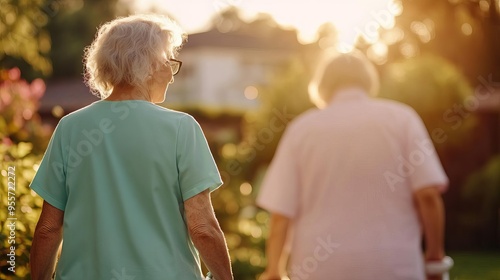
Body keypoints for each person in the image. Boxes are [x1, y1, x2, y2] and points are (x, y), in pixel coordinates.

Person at [30, 14, 233, 280]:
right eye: (169, 62)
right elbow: (202, 227)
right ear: (148, 65)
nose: (172, 75)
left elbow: (48, 228)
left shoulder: (70, 128)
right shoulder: (181, 128)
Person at [257, 51, 450, 280]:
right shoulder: (403, 119)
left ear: (322, 85)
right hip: (395, 266)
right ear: (368, 80)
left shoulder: (301, 129)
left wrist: (273, 271)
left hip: (318, 269)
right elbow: (427, 195)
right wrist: (435, 257)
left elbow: (280, 215)